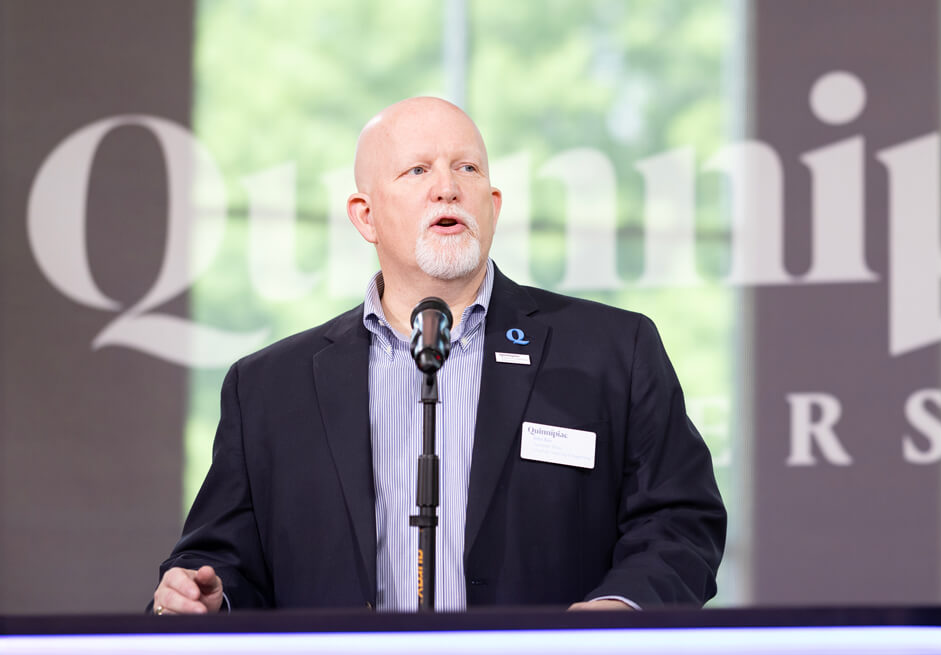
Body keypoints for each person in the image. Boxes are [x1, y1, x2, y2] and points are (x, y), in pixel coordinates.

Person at [152, 97, 725, 617]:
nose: (447, 188)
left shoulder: (611, 352)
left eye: (467, 169)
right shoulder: (270, 388)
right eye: (417, 170)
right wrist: (207, 596)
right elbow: (221, 558)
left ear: (493, 206)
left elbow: (680, 522)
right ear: (365, 215)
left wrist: (620, 607)